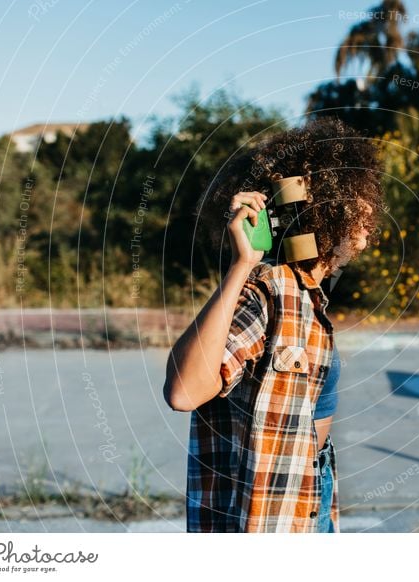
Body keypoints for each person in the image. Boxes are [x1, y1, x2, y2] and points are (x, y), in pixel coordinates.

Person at [162, 117, 384, 533]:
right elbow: (183, 391)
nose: (370, 209)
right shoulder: (271, 292)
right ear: (327, 210)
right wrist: (242, 264)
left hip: (311, 493)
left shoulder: (310, 293)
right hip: (270, 512)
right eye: (356, 196)